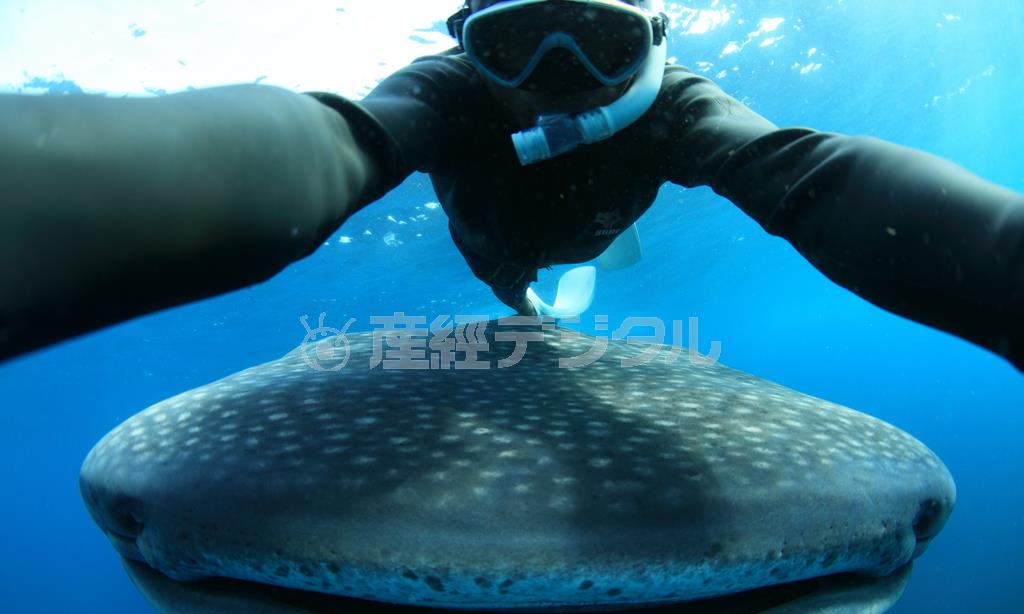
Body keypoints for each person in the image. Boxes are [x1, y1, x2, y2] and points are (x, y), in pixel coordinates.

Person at [0, 0, 1021, 370]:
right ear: (464, 45)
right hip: (504, 253)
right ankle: (538, 302)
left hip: (601, 222)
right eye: (517, 45)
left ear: (654, 36)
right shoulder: (441, 95)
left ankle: (561, 291)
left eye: (601, 39)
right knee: (522, 299)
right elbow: (329, 144)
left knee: (581, 271)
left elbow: (808, 173)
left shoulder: (681, 104)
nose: (558, 78)